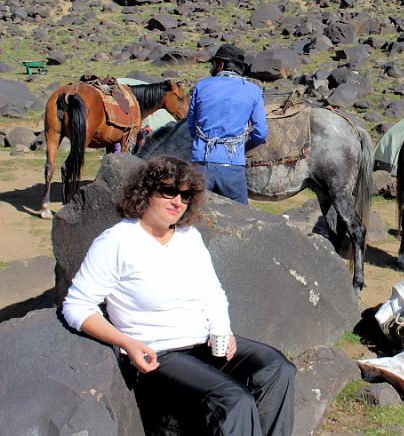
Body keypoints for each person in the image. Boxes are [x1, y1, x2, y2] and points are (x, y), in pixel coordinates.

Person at [62, 156, 295, 436]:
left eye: (185, 195)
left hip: (204, 343)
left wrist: (223, 330)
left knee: (277, 369)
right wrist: (126, 343)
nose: (178, 201)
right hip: (159, 354)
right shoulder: (117, 241)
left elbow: (212, 291)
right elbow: (77, 306)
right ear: (145, 190)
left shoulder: (188, 236)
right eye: (169, 190)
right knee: (233, 401)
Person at [187, 44, 268, 205]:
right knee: (240, 217)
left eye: (213, 64)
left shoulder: (201, 86)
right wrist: (242, 146)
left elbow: (191, 126)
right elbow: (261, 132)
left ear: (221, 64)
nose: (212, 68)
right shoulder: (253, 91)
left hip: (201, 164)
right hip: (232, 166)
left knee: (194, 216)